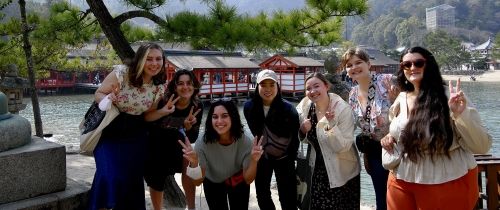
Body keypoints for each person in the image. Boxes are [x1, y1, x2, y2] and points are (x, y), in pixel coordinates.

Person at [381, 46, 492, 210]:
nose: (413, 68)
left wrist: (460, 115)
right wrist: (388, 137)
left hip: (445, 179)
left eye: (419, 63)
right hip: (400, 178)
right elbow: (398, 128)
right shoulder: (401, 97)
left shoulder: (450, 97)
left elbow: (482, 145)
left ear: (429, 65)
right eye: (407, 64)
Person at [88, 43, 167, 210]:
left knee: (131, 180)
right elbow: (98, 93)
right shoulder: (122, 73)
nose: (154, 63)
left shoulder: (158, 86)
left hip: (136, 136)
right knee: (109, 174)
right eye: (149, 59)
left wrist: (163, 112)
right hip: (109, 131)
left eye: (158, 59)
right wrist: (109, 98)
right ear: (140, 60)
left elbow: (147, 115)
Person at [340, 48, 398, 210]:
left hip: (399, 147)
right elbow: (364, 128)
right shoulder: (352, 94)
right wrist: (365, 155)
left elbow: (413, 106)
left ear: (369, 64)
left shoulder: (387, 81)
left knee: (400, 197)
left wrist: (396, 100)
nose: (354, 67)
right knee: (381, 198)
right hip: (374, 152)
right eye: (349, 65)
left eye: (358, 62)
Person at [178, 99, 264, 210]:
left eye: (224, 116)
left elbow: (248, 179)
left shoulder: (246, 140)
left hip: (237, 179)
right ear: (210, 120)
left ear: (233, 117)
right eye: (215, 117)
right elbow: (198, 182)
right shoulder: (202, 142)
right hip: (212, 181)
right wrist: (194, 163)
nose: (219, 121)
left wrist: (254, 160)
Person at [296, 72, 361, 210]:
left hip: (341, 169)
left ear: (326, 86)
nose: (312, 91)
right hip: (316, 168)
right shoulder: (305, 106)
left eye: (316, 86)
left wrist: (331, 126)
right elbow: (305, 138)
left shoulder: (342, 109)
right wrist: (302, 130)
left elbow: (343, 147)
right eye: (308, 88)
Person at [144, 69, 203, 210]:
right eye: (180, 83)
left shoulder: (197, 105)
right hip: (156, 143)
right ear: (175, 86)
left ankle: (191, 207)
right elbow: (146, 119)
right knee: (157, 175)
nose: (185, 87)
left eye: (189, 83)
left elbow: (192, 137)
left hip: (178, 143)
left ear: (194, 85)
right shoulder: (164, 100)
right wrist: (163, 111)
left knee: (188, 158)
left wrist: (188, 127)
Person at [243, 69, 299, 210]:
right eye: (263, 85)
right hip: (262, 156)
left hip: (285, 158)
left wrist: (290, 157)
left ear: (277, 87)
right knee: (262, 195)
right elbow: (255, 131)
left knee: (288, 196)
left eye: (271, 85)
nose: (268, 89)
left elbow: (294, 138)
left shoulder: (289, 109)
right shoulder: (249, 107)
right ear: (257, 87)